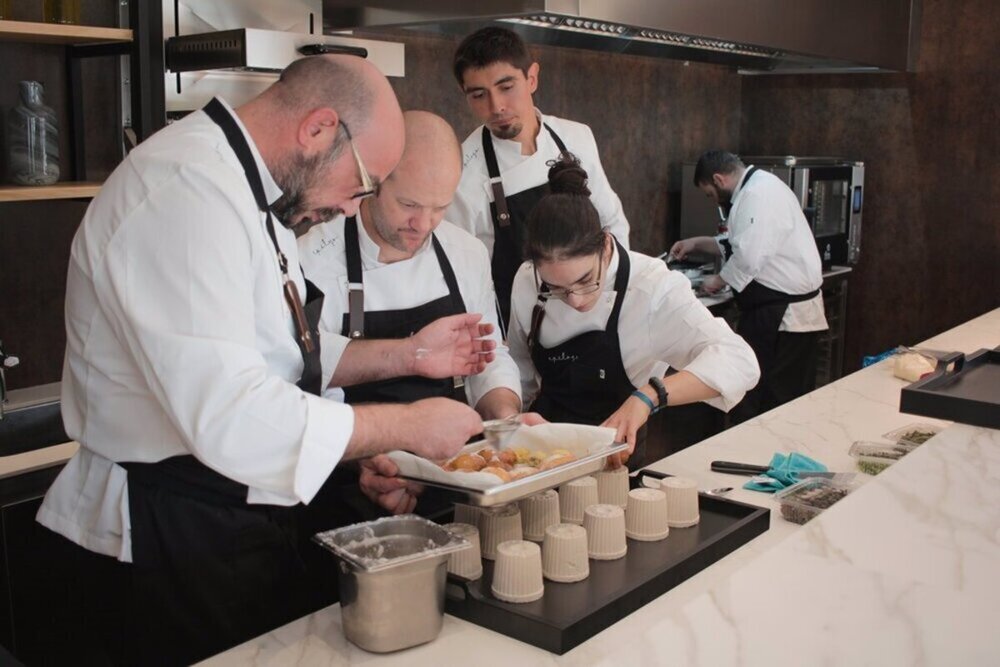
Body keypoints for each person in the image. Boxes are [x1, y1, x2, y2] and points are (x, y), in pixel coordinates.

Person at [35, 55, 489, 666]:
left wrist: (407, 356)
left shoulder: (251, 191)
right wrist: (405, 426)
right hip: (167, 532)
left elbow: (282, 350)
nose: (355, 209)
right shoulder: (186, 193)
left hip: (231, 520)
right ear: (319, 129)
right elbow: (232, 413)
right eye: (361, 186)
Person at [295, 111, 524, 550]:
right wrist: (369, 461)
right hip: (352, 493)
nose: (424, 225)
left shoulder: (465, 252)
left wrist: (505, 421)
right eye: (410, 205)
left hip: (457, 481)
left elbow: (488, 357)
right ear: (374, 179)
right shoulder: (311, 261)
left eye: (440, 208)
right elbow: (308, 394)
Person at [507, 154, 759, 467]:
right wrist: (511, 419)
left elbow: (740, 361)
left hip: (616, 456)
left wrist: (649, 396)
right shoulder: (526, 280)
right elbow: (517, 364)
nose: (574, 300)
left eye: (585, 280)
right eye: (555, 289)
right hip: (540, 455)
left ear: (607, 246)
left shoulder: (653, 288)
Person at [448, 26, 631, 331]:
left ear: (531, 78)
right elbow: (467, 276)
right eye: (479, 95)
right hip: (523, 331)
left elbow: (610, 222)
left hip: (594, 311)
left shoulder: (576, 136)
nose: (497, 107)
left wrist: (614, 294)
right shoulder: (463, 171)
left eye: (506, 87)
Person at [671, 150, 829, 423]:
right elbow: (738, 243)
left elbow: (750, 256)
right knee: (767, 394)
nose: (713, 200)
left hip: (785, 317)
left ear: (719, 179)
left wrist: (718, 280)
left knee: (774, 399)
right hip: (776, 310)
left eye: (710, 193)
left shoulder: (757, 195)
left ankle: (765, 457)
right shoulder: (758, 187)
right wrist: (696, 243)